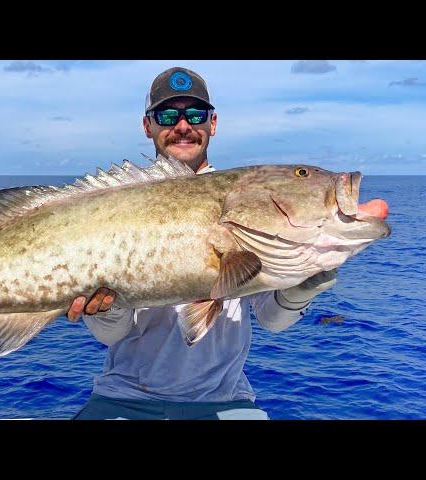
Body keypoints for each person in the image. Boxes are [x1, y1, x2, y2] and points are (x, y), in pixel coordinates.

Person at [66, 67, 337, 420]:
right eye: (167, 115)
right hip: (123, 399)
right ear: (148, 125)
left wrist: (300, 291)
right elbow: (113, 333)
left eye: (195, 114)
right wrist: (108, 307)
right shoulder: (120, 203)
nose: (182, 126)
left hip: (225, 400)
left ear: (213, 123)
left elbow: (272, 319)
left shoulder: (247, 202)